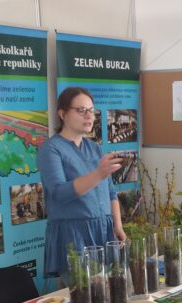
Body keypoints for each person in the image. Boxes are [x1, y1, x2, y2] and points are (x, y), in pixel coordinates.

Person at [37, 87, 126, 282]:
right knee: (83, 300)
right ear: (62, 114)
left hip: (104, 232)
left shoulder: (94, 148)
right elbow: (59, 193)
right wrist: (98, 174)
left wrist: (118, 226)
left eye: (91, 110)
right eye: (81, 110)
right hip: (74, 236)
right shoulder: (51, 149)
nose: (89, 116)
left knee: (110, 297)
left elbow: (110, 192)